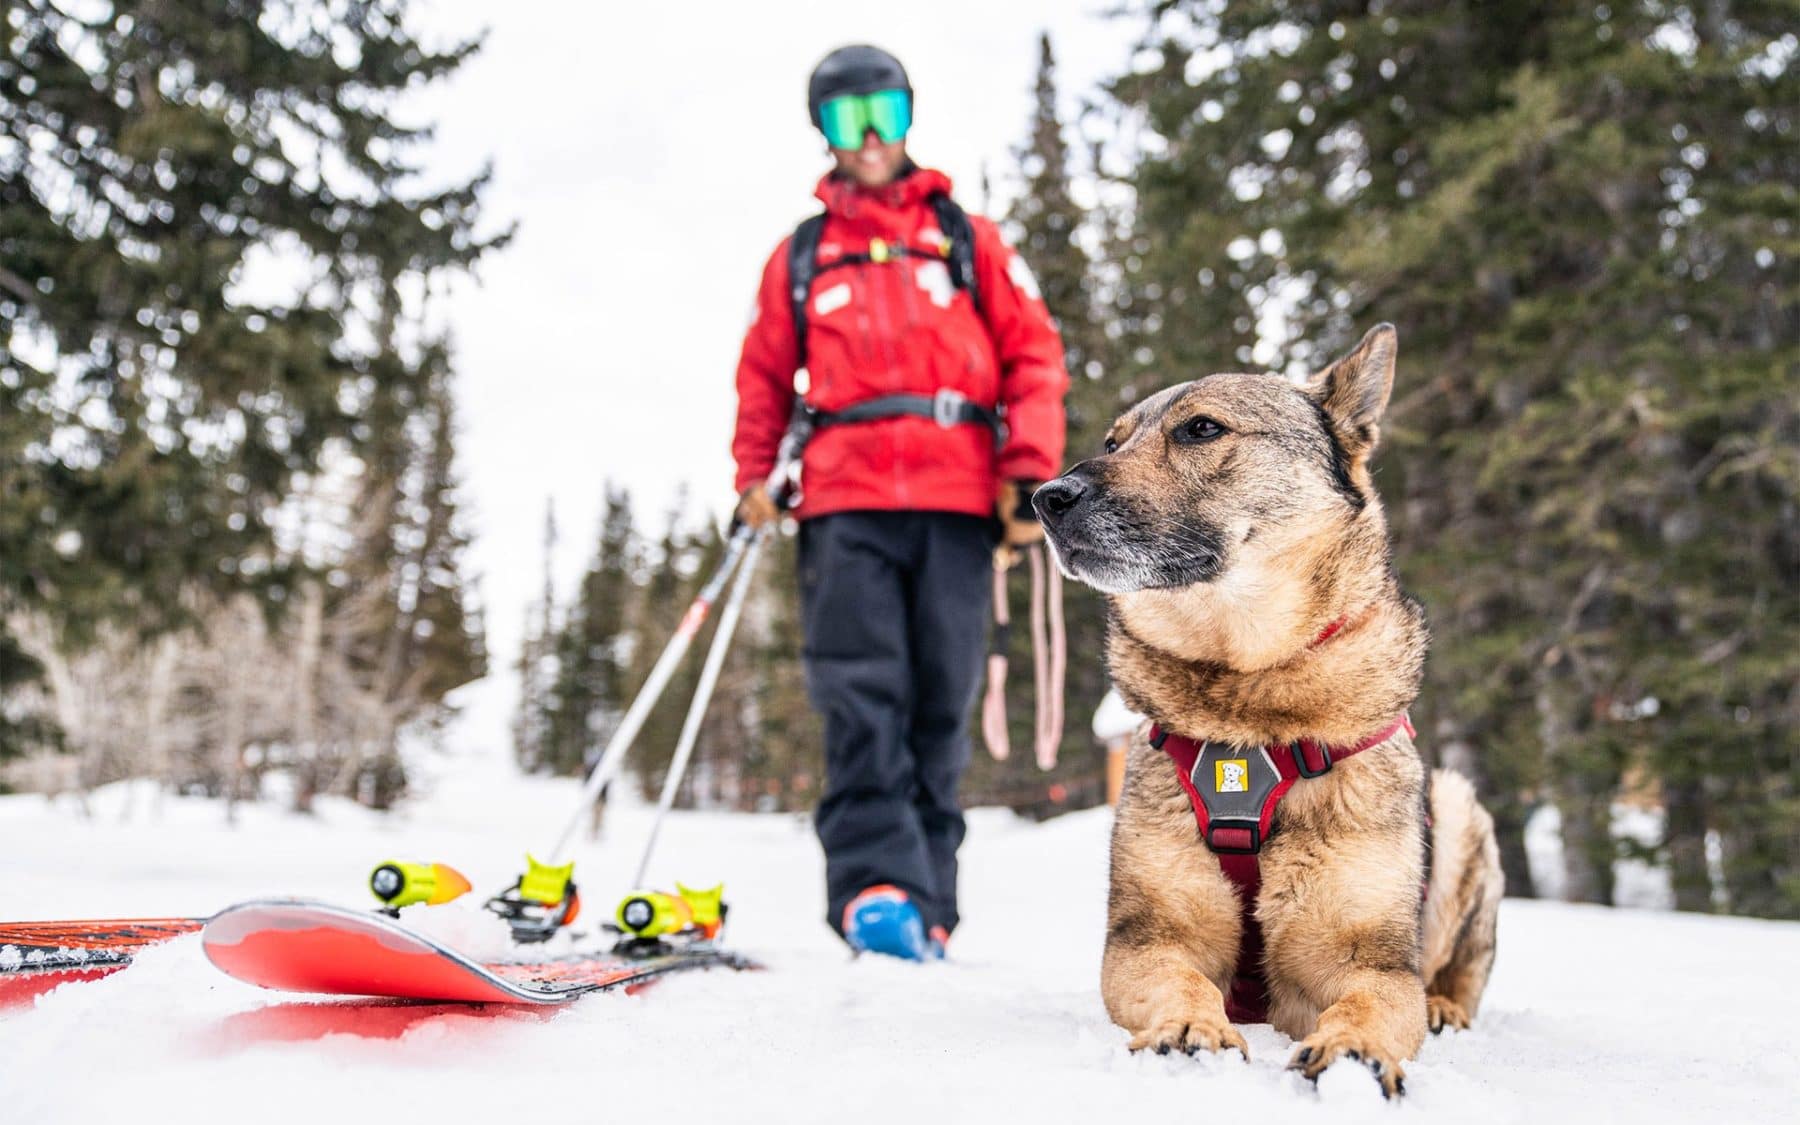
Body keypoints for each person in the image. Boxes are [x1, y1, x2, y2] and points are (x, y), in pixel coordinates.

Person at [731, 44, 1068, 960]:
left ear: (909, 115)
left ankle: (931, 903)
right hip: (844, 500)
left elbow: (1034, 355)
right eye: (848, 119)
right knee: (861, 692)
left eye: (883, 112)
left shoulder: (968, 239)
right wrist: (756, 476)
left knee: (940, 697)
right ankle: (874, 890)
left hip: (959, 499)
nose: (870, 136)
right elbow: (764, 377)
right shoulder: (803, 255)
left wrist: (1026, 472)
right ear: (825, 134)